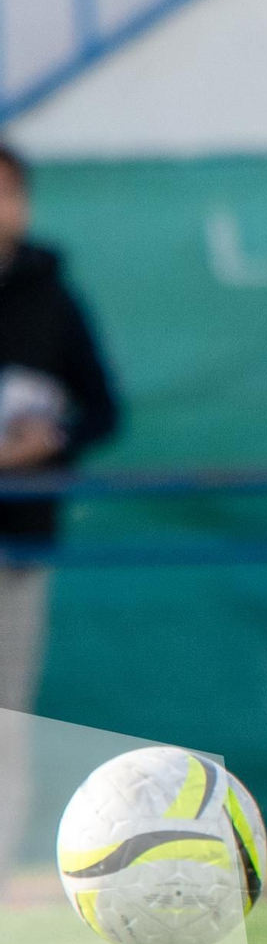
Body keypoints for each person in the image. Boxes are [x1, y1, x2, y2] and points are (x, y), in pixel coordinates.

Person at [0, 142, 119, 873]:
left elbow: (103, 409)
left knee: (9, 718)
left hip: (22, 544)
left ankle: (4, 870)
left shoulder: (52, 297)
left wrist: (51, 439)